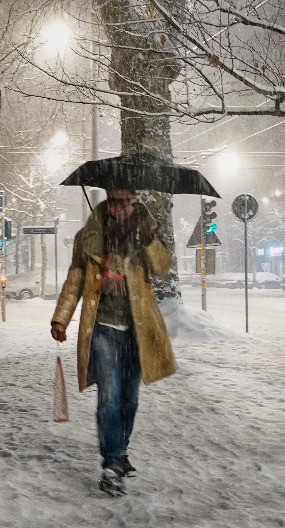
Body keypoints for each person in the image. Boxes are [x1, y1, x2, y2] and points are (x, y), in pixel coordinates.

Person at [50, 187, 177, 496]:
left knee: (130, 399)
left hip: (137, 331)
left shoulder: (145, 232)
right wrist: (61, 318)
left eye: (125, 202)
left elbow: (162, 268)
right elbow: (75, 279)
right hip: (103, 329)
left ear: (134, 202)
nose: (119, 208)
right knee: (110, 397)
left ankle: (120, 450)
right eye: (113, 201)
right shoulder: (89, 237)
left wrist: (148, 238)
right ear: (107, 202)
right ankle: (112, 463)